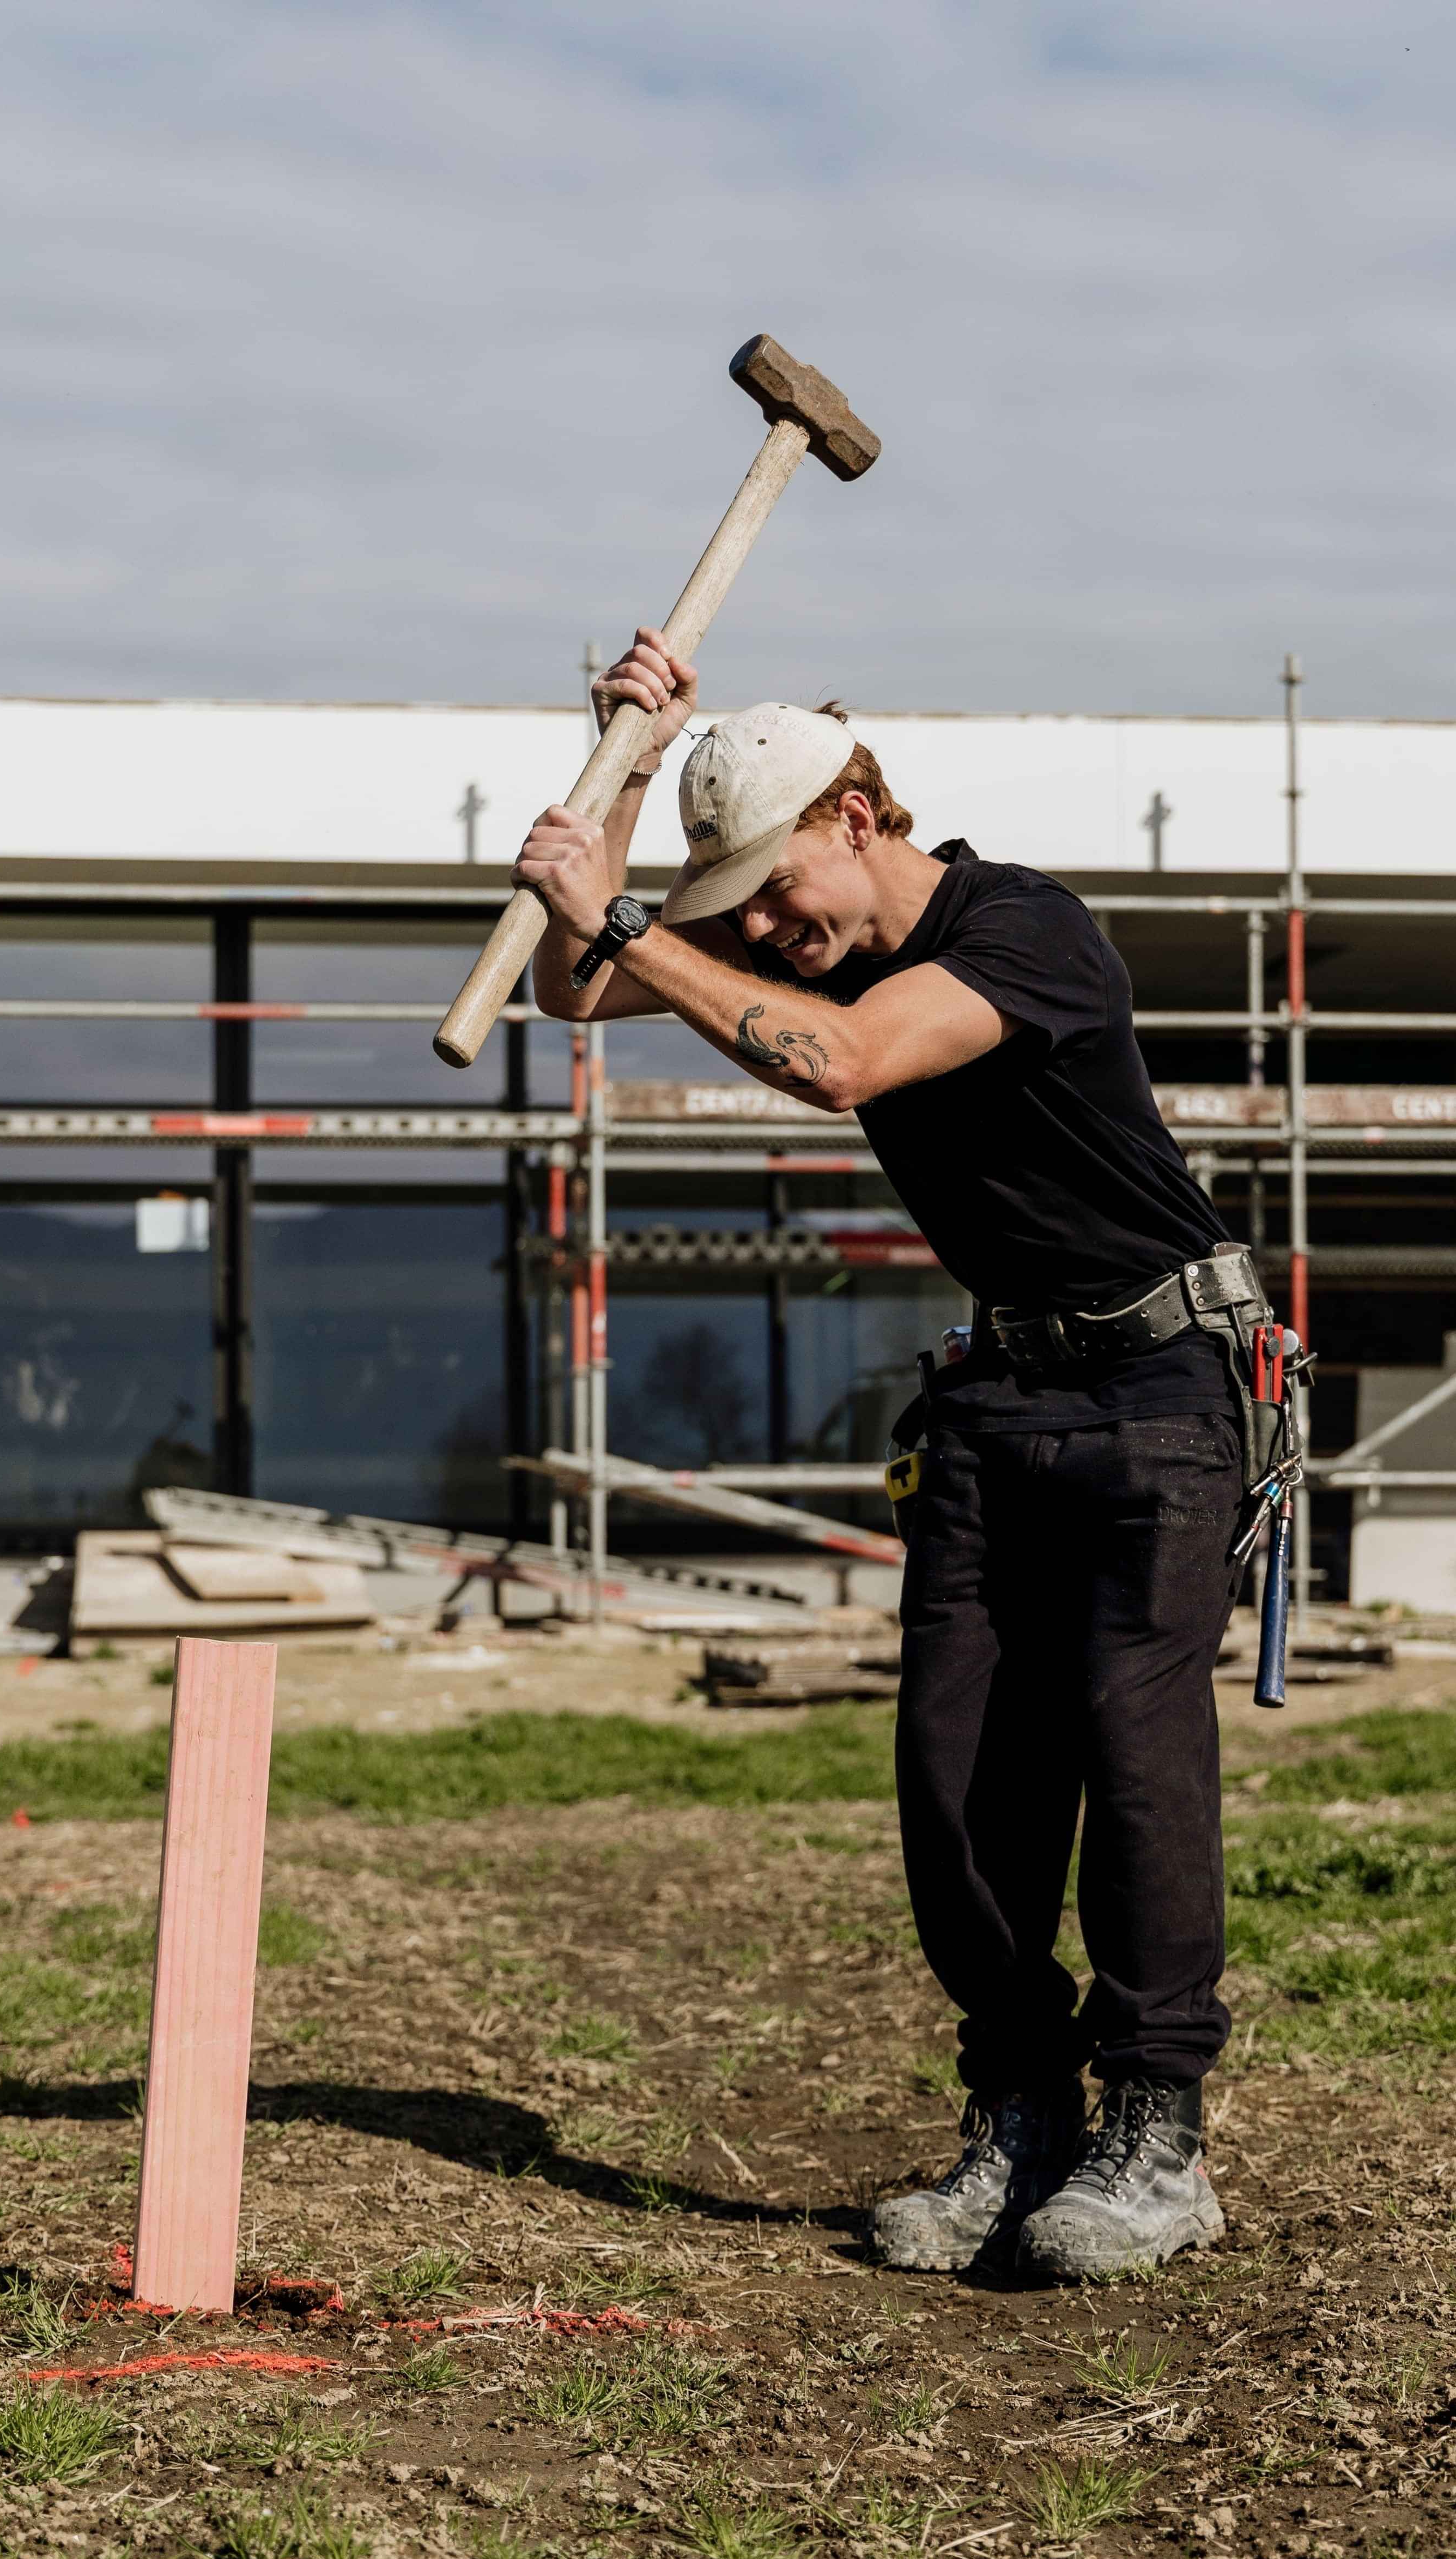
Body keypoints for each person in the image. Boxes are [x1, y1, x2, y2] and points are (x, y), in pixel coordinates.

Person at [522, 628, 1273, 2280]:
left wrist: (631, 922)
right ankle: (1022, 2116)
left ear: (857, 810)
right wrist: (629, 768)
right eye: (748, 912)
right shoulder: (814, 937)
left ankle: (1161, 2135)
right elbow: (572, 986)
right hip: (998, 1398)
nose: (769, 931)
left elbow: (839, 1061)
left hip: (1162, 1388)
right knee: (956, 1770)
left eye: (778, 889)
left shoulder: (1028, 932)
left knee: (1134, 1751)